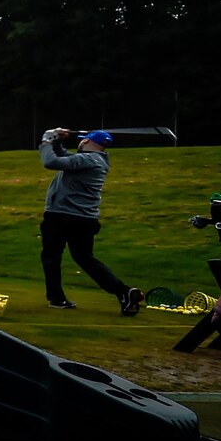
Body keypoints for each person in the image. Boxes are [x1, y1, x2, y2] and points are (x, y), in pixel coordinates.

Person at [38, 128, 141, 314]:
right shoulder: (95, 160)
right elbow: (64, 156)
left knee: (51, 256)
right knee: (85, 258)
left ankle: (56, 298)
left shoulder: (86, 159)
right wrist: (58, 142)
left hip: (61, 216)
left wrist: (46, 141)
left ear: (85, 142)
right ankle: (123, 291)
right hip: (84, 219)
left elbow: (50, 161)